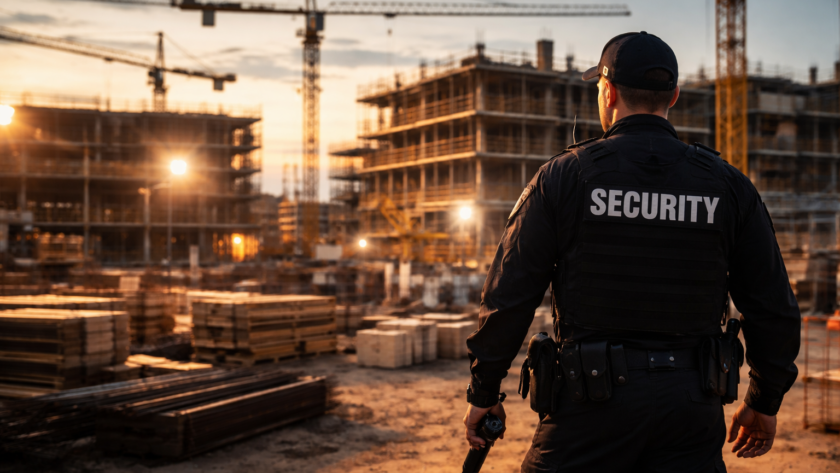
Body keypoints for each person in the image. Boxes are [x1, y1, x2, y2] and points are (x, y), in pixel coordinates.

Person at [462, 32, 800, 473]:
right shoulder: (729, 186)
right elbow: (772, 305)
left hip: (587, 409)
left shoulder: (563, 177)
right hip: (690, 411)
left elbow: (509, 297)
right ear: (674, 96)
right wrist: (764, 399)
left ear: (608, 91)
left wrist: (484, 394)